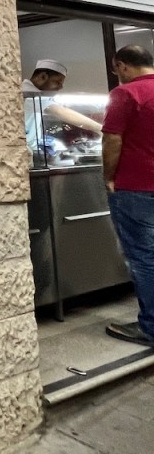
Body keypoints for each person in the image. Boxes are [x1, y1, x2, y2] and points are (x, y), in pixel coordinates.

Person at [102, 45, 154, 347]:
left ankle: (151, 327)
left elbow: (112, 139)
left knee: (144, 258)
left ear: (122, 66)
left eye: (116, 70)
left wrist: (108, 176)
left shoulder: (125, 94)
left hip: (137, 187)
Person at [22, 58, 103, 156]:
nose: (61, 87)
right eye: (58, 82)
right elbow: (59, 112)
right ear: (43, 76)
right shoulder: (28, 95)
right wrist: (99, 128)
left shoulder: (40, 95)